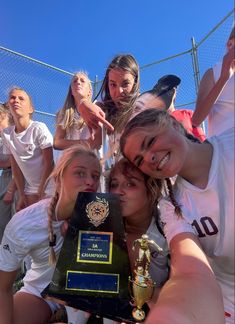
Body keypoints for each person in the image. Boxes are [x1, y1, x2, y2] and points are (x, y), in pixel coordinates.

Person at [119, 108, 231, 323]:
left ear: (172, 123)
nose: (149, 158)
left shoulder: (230, 145)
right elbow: (190, 272)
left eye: (150, 142)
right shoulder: (172, 206)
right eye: (139, 160)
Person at [0, 144, 101, 324]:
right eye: (80, 173)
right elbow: (2, 287)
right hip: (41, 293)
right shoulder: (25, 223)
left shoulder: (104, 216)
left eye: (95, 176)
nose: (90, 182)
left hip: (87, 293)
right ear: (60, 178)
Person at [107, 158, 169, 290]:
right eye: (114, 184)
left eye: (130, 184)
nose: (118, 191)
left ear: (152, 189)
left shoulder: (170, 228)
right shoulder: (102, 226)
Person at [1, 87, 54, 212]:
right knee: (30, 224)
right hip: (30, 190)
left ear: (30, 109)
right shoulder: (7, 134)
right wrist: (22, 194)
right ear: (8, 106)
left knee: (50, 225)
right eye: (12, 98)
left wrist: (41, 192)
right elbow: (16, 166)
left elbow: (49, 163)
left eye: (21, 98)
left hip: (50, 186)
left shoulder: (38, 128)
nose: (16, 100)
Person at [192, 26, 235, 137]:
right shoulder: (213, 72)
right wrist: (223, 79)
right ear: (230, 45)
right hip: (223, 148)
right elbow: (196, 120)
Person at [136, 74, 206, 142]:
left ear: (174, 92)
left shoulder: (187, 114)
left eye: (170, 89)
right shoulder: (152, 121)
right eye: (158, 90)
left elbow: (201, 141)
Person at [53, 71, 101, 154]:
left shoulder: (97, 106)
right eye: (75, 81)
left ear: (89, 91)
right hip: (73, 160)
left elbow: (98, 141)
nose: (78, 82)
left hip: (95, 159)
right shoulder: (65, 113)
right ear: (71, 91)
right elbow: (57, 142)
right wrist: (83, 143)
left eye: (82, 81)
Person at [0, 103, 16, 242]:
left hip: (23, 177)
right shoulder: (2, 139)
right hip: (6, 176)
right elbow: (4, 163)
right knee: (3, 222)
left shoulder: (17, 133)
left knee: (18, 220)